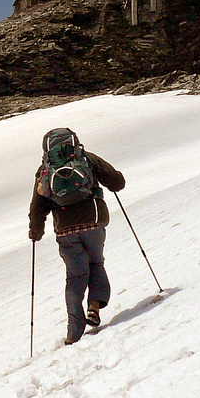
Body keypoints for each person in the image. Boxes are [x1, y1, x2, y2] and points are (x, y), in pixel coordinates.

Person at [28, 129, 126, 345]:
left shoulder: (44, 169)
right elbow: (117, 183)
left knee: (75, 277)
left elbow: (37, 207)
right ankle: (94, 305)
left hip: (65, 230)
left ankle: (73, 334)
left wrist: (35, 231)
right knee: (96, 264)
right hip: (94, 221)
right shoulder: (87, 159)